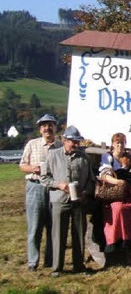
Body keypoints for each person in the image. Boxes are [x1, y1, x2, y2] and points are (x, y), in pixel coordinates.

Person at [40, 126, 95, 277]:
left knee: (78, 233)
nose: (76, 144)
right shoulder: (53, 155)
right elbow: (44, 178)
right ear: (65, 141)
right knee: (58, 234)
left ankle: (79, 265)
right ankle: (57, 268)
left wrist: (86, 192)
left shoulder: (84, 157)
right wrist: (59, 185)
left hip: (78, 202)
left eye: (77, 141)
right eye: (73, 141)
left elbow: (91, 180)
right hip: (59, 200)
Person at [19, 114, 62, 272]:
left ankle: (50, 261)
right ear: (40, 129)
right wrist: (34, 168)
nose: (47, 128)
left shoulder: (59, 146)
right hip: (35, 186)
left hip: (53, 188)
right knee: (35, 226)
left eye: (50, 125)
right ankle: (32, 262)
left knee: (53, 226)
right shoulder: (33, 144)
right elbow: (22, 165)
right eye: (44, 126)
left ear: (54, 127)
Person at [98, 133, 131, 264]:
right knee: (118, 209)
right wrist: (117, 181)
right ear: (113, 144)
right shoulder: (107, 156)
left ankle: (130, 242)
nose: (120, 146)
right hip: (113, 190)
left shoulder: (130, 156)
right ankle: (114, 245)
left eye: (122, 143)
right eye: (117, 143)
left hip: (128, 189)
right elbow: (104, 175)